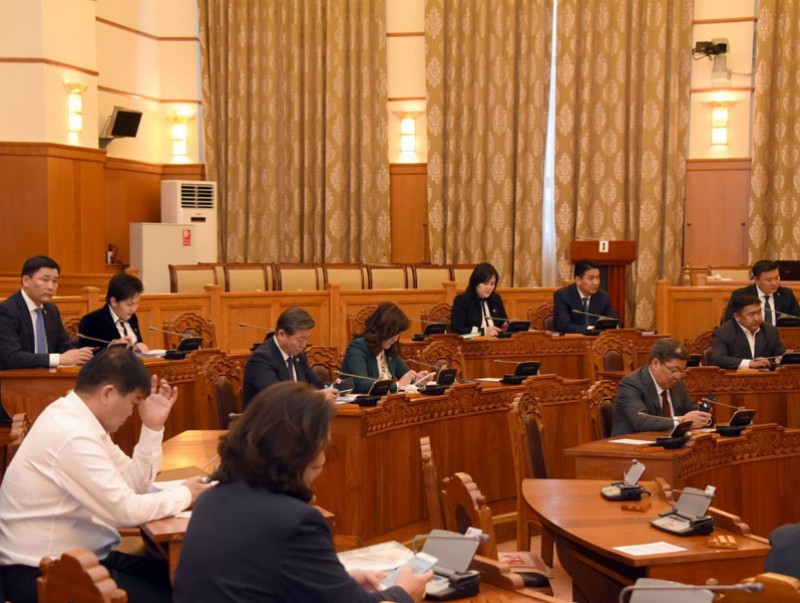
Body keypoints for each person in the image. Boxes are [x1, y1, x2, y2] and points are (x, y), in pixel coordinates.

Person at [174, 381, 431, 603]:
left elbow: (260, 576)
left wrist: (337, 579)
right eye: (324, 445)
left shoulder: (211, 499)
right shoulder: (295, 522)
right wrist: (404, 593)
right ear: (304, 451)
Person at [0, 346, 210, 603]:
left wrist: (152, 427)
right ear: (108, 393)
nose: (132, 412)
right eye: (133, 402)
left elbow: (133, 485)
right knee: (179, 596)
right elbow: (124, 511)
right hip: (43, 571)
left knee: (192, 580)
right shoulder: (71, 433)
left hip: (84, 557)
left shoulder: (80, 419)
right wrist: (186, 494)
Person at [0, 255, 93, 369]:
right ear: (26, 281)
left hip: (49, 376)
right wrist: (59, 359)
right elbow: (11, 357)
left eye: (55, 281)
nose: (51, 287)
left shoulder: (51, 309)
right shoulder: (8, 310)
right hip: (16, 377)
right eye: (45, 280)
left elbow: (63, 346)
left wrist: (80, 355)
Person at [611, 338, 712, 436]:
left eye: (681, 371)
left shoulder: (677, 385)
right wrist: (681, 420)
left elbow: (690, 411)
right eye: (674, 370)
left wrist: (702, 416)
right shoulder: (631, 384)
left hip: (669, 442)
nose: (677, 376)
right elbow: (641, 421)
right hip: (632, 442)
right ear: (655, 363)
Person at [243, 307, 337, 406]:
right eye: (300, 339)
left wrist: (339, 388)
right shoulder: (261, 358)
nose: (304, 345)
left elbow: (317, 384)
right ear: (282, 335)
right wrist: (316, 396)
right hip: (269, 415)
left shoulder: (298, 355)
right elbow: (277, 398)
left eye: (307, 339)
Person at [341, 302, 429, 393]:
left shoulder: (389, 348)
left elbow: (406, 375)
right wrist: (397, 385)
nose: (396, 339)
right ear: (383, 330)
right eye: (394, 333)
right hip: (361, 401)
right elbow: (361, 384)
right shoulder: (358, 347)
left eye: (398, 334)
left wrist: (417, 379)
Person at [711, 292, 785, 370]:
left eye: (759, 312)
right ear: (737, 316)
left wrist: (771, 362)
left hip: (765, 376)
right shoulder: (723, 333)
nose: (757, 318)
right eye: (751, 314)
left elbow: (780, 356)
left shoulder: (770, 331)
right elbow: (718, 359)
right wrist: (749, 363)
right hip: (736, 376)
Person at [78, 273, 149, 352]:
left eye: (136, 303)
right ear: (114, 301)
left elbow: (135, 347)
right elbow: (87, 353)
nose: (133, 309)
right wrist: (113, 348)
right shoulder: (92, 320)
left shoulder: (132, 317)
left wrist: (137, 347)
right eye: (130, 304)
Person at [722, 259, 800, 326]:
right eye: (769, 280)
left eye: (776, 278)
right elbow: (728, 323)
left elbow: (797, 320)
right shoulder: (741, 295)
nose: (774, 283)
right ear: (756, 280)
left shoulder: (786, 294)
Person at [553, 259, 619, 334]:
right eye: (591, 278)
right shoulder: (563, 296)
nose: (596, 283)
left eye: (597, 278)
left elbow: (615, 321)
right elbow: (563, 326)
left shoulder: (602, 296)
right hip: (573, 339)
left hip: (597, 340)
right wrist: (590, 329)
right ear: (578, 280)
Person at [450, 262, 508, 336]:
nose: (489, 288)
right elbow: (457, 329)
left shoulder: (496, 299)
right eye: (485, 283)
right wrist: (483, 332)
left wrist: (508, 326)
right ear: (475, 282)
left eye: (492, 284)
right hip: (473, 342)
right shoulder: (462, 301)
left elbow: (503, 322)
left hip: (496, 341)